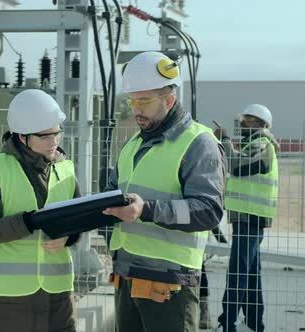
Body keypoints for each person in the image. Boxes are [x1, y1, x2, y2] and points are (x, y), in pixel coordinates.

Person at [102, 51, 226, 332]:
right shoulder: (133, 143)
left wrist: (146, 210)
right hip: (126, 276)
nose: (136, 109)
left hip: (170, 284)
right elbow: (113, 193)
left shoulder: (198, 143)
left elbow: (208, 210)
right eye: (132, 101)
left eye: (144, 101)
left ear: (169, 99)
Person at [0, 89, 81, 332]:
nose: (54, 142)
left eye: (57, 133)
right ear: (22, 137)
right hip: (8, 300)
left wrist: (69, 236)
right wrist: (29, 221)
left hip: (58, 296)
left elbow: (77, 221)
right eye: (45, 136)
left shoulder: (65, 169)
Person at [215, 104, 279, 332]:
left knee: (237, 272)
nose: (243, 124)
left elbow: (236, 166)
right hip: (248, 217)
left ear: (262, 124)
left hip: (251, 218)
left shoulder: (262, 144)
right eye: (243, 119)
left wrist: (224, 142)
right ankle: (254, 323)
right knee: (251, 276)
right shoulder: (254, 144)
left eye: (249, 120)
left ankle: (228, 322)